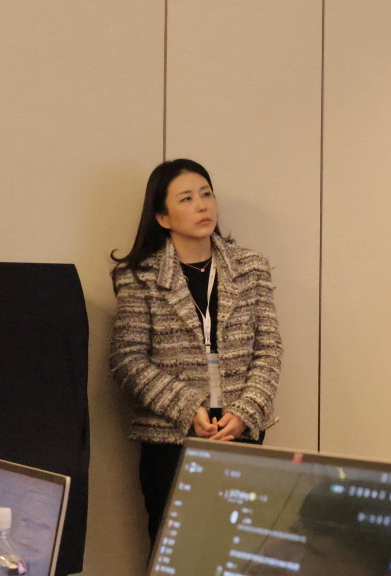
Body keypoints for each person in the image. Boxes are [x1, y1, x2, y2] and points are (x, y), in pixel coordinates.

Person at [109, 159, 282, 543]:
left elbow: (268, 348)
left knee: (240, 549)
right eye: (186, 199)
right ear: (163, 217)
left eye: (206, 194)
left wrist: (245, 411)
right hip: (171, 439)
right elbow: (127, 359)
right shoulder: (140, 277)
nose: (202, 205)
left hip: (241, 431)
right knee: (177, 551)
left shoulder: (251, 267)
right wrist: (189, 408)